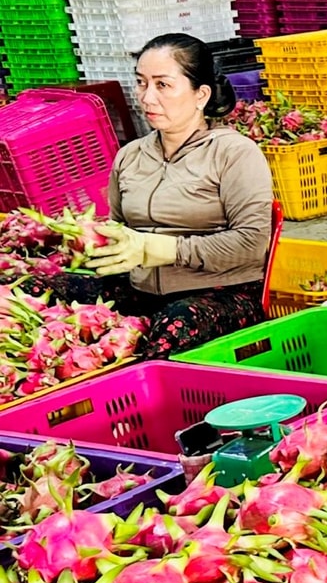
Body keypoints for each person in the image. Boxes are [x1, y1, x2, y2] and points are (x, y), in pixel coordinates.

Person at [49, 34, 274, 358]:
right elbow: (119, 229)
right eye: (141, 83)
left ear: (201, 94)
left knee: (173, 326)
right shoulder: (130, 156)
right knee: (38, 287)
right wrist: (85, 243)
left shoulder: (234, 152)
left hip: (219, 294)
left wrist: (165, 249)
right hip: (142, 290)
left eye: (162, 85)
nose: (147, 98)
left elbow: (252, 243)